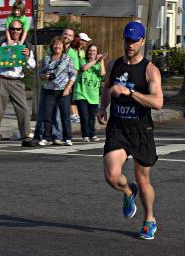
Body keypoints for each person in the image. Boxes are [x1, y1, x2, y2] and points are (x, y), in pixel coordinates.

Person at [97, 21, 163, 240]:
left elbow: (158, 102)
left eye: (134, 41)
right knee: (112, 176)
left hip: (140, 131)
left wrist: (129, 92)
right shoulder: (116, 65)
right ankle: (128, 192)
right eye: (127, 40)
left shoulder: (150, 70)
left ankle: (149, 220)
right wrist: (102, 106)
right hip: (118, 129)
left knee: (143, 181)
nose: (130, 45)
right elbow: (107, 87)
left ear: (142, 41)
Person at [0, 20, 35, 147]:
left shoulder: (26, 45)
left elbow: (32, 65)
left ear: (21, 31)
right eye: (12, 29)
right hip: (1, 79)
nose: (15, 31)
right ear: (9, 30)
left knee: (23, 110)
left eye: (18, 29)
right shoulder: (1, 42)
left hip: (16, 81)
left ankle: (25, 137)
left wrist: (26, 57)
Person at [38, 36, 76, 146]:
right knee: (48, 115)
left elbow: (73, 75)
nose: (57, 46)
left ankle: (67, 137)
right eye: (55, 44)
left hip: (63, 90)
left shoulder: (67, 59)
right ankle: (47, 137)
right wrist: (45, 76)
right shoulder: (46, 58)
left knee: (65, 116)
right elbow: (40, 73)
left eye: (59, 44)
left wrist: (68, 88)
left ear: (63, 47)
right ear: (52, 46)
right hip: (49, 90)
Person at [73, 44, 107, 142]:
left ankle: (92, 134)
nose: (92, 52)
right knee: (84, 115)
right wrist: (95, 60)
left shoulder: (98, 64)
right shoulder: (82, 60)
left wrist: (102, 61)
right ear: (87, 52)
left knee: (92, 117)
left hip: (93, 95)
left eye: (94, 51)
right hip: (81, 93)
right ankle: (86, 135)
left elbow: (102, 74)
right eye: (90, 51)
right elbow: (84, 68)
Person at [70, 32, 92, 123]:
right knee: (71, 95)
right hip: (71, 74)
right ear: (80, 41)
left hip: (78, 76)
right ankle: (73, 114)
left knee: (75, 95)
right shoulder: (72, 50)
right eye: (85, 41)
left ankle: (76, 114)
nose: (86, 43)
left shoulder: (82, 51)